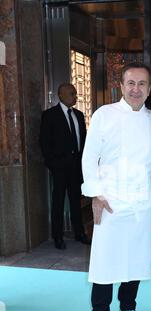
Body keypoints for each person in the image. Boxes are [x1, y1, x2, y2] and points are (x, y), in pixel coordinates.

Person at [81, 62, 151, 311]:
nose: (136, 89)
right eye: (131, 83)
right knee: (104, 262)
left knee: (136, 260)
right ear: (121, 85)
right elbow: (89, 157)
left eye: (142, 84)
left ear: (150, 88)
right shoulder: (105, 114)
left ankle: (128, 308)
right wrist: (95, 194)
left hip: (141, 202)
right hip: (111, 201)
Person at [39, 83, 90, 249]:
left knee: (76, 201)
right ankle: (58, 236)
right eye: (72, 94)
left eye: (75, 94)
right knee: (58, 201)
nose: (75, 96)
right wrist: (53, 164)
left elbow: (83, 140)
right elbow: (44, 142)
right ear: (61, 95)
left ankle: (79, 233)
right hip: (59, 167)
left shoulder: (79, 115)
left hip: (76, 166)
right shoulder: (50, 115)